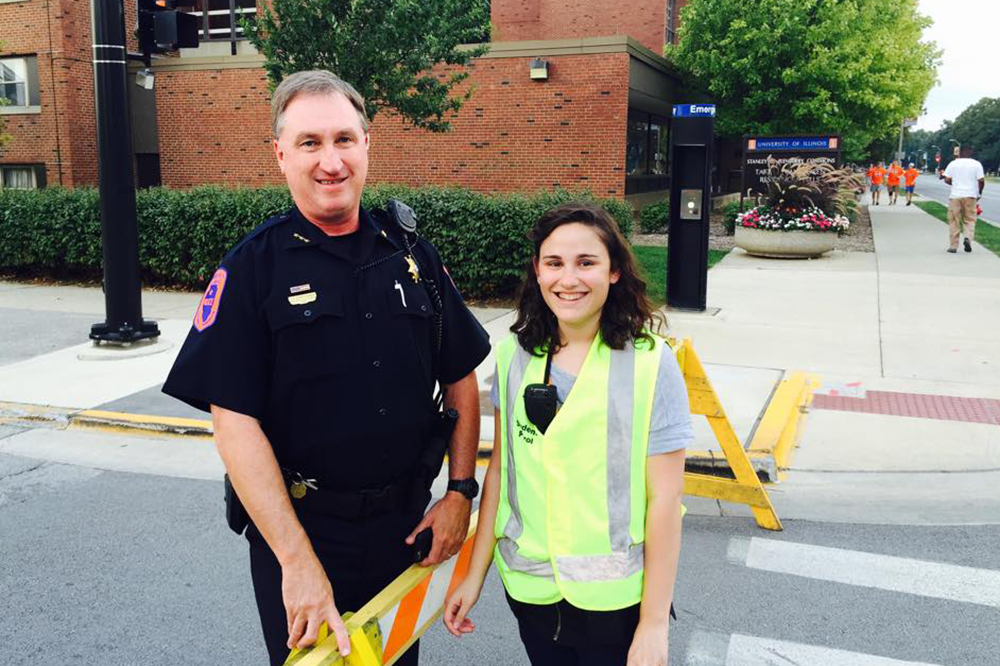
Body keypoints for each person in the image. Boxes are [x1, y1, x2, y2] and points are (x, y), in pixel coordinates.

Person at [162, 70, 490, 666]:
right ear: (280, 154)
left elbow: (461, 375)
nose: (330, 161)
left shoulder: (410, 251)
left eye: (344, 139)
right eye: (310, 143)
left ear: (367, 145)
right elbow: (234, 425)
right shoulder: (250, 271)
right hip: (305, 532)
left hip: (405, 530)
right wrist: (297, 561)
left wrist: (461, 493)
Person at [442, 202, 692, 666]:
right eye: (554, 263)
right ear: (537, 271)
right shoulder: (513, 355)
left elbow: (665, 502)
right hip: (531, 594)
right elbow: (501, 473)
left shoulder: (651, 364)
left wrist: (654, 625)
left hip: (615, 606)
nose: (568, 279)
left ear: (614, 271)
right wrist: (473, 576)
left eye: (586, 263)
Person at [942, 146, 986, 253]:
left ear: (960, 153)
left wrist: (954, 184)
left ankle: (953, 246)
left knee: (954, 221)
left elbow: (946, 179)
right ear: (970, 152)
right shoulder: (976, 164)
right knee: (970, 219)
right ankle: (967, 238)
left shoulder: (953, 164)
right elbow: (981, 180)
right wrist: (979, 192)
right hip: (971, 195)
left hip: (955, 196)